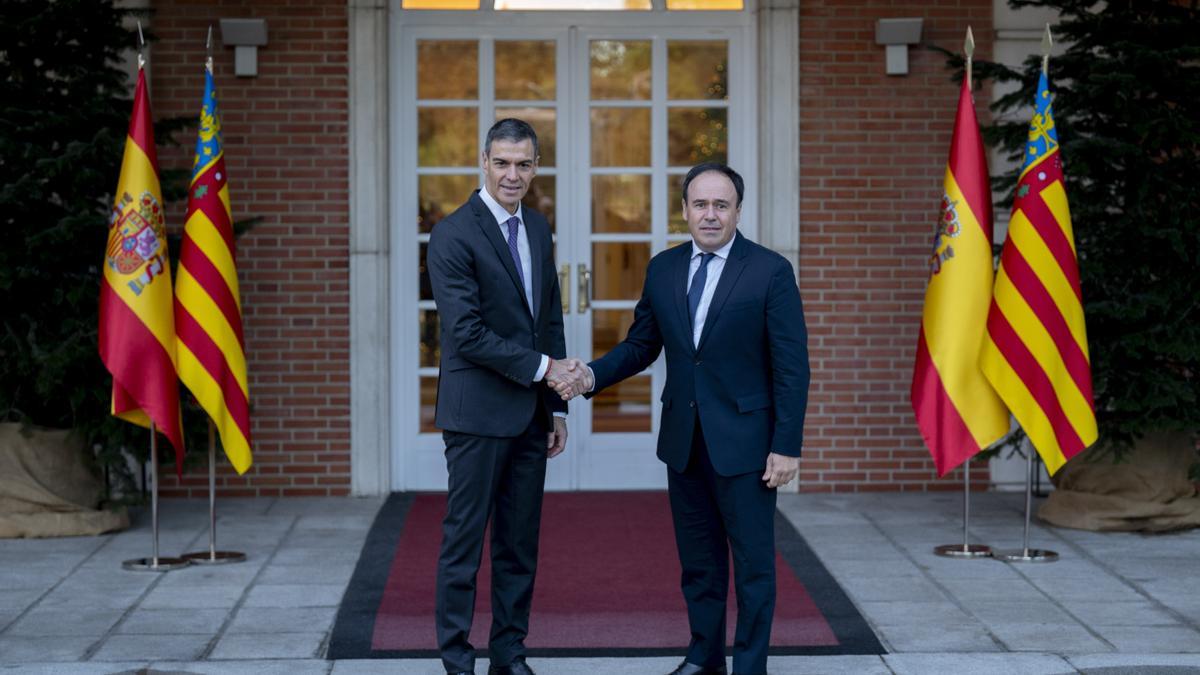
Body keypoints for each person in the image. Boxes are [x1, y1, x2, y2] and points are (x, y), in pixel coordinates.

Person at [557, 163, 810, 675]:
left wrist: (786, 445)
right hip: (684, 441)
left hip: (746, 445)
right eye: (700, 204)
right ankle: (704, 658)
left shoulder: (769, 271)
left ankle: (751, 666)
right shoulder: (664, 268)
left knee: (754, 568)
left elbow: (791, 366)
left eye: (721, 205)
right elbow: (641, 345)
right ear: (684, 211)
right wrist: (589, 377)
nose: (710, 215)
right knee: (699, 566)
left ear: (739, 210)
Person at [427, 118, 591, 675]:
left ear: (536, 166)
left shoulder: (540, 229)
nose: (512, 174)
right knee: (464, 547)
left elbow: (548, 317)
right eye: (502, 163)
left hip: (529, 415)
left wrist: (558, 406)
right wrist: (550, 370)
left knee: (519, 547)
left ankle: (510, 656)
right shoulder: (453, 234)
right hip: (475, 416)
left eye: (523, 164)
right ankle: (456, 661)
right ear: (483, 161)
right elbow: (466, 333)